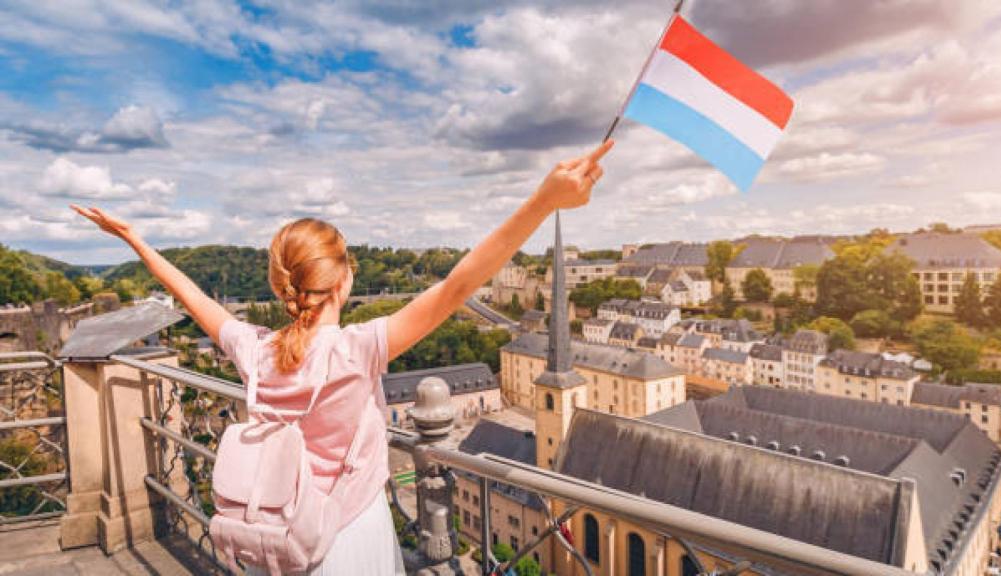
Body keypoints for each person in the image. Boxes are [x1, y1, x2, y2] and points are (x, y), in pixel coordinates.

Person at [70, 139, 612, 575]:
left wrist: (136, 242)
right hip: (349, 535)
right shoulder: (358, 349)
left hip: (277, 538)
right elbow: (458, 284)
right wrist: (544, 200)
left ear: (283, 285)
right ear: (346, 278)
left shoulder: (254, 352)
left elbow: (196, 300)